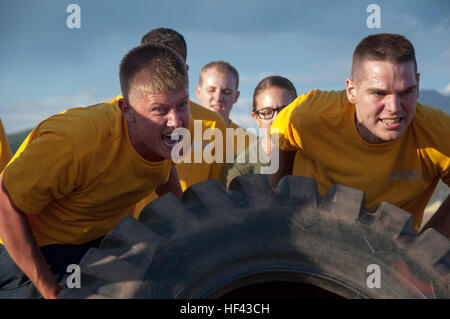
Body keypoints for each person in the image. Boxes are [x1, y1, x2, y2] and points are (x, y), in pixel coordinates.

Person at [0, 44, 191, 298]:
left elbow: (164, 173)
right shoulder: (75, 143)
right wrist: (51, 292)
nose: (176, 122)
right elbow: (3, 201)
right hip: (30, 250)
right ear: (127, 111)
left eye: (182, 105)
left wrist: (190, 233)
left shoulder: (169, 135)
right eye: (160, 109)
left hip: (97, 245)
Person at [269, 33, 450, 237]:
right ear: (352, 90)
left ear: (417, 85)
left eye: (405, 92)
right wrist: (274, 216)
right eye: (379, 93)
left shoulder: (438, 133)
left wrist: (425, 253)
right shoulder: (309, 116)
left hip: (388, 254)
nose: (394, 108)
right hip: (308, 238)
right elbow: (278, 137)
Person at [106, 28, 229, 216]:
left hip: (184, 230)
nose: (163, 75)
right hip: (121, 235)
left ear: (185, 71)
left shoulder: (214, 124)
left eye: (171, 67)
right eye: (153, 68)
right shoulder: (107, 119)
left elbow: (213, 194)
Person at [221, 75, 297, 189]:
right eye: (267, 112)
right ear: (256, 118)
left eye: (284, 111)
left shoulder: (313, 157)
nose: (276, 119)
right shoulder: (240, 168)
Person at [196, 61, 257, 157]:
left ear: (236, 97)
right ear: (198, 92)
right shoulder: (179, 133)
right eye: (211, 90)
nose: (218, 98)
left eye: (226, 92)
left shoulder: (251, 144)